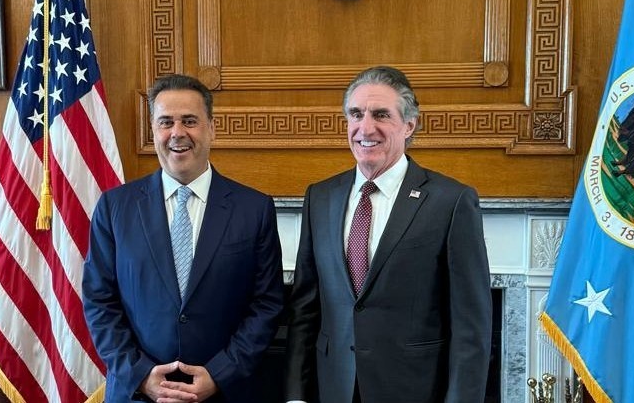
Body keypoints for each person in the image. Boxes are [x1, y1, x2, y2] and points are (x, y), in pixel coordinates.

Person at [285, 66, 492, 403]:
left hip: (414, 389)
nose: (366, 128)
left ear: (409, 125)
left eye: (381, 114)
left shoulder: (452, 201)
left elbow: (472, 327)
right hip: (334, 387)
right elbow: (304, 311)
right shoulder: (320, 197)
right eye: (356, 114)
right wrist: (296, 396)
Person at [83, 74, 285, 403]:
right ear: (154, 130)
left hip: (225, 393)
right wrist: (141, 375)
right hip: (137, 394)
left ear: (211, 128)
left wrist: (220, 374)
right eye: (166, 122)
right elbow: (99, 301)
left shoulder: (254, 209)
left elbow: (266, 304)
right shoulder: (114, 207)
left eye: (190, 121)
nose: (177, 132)